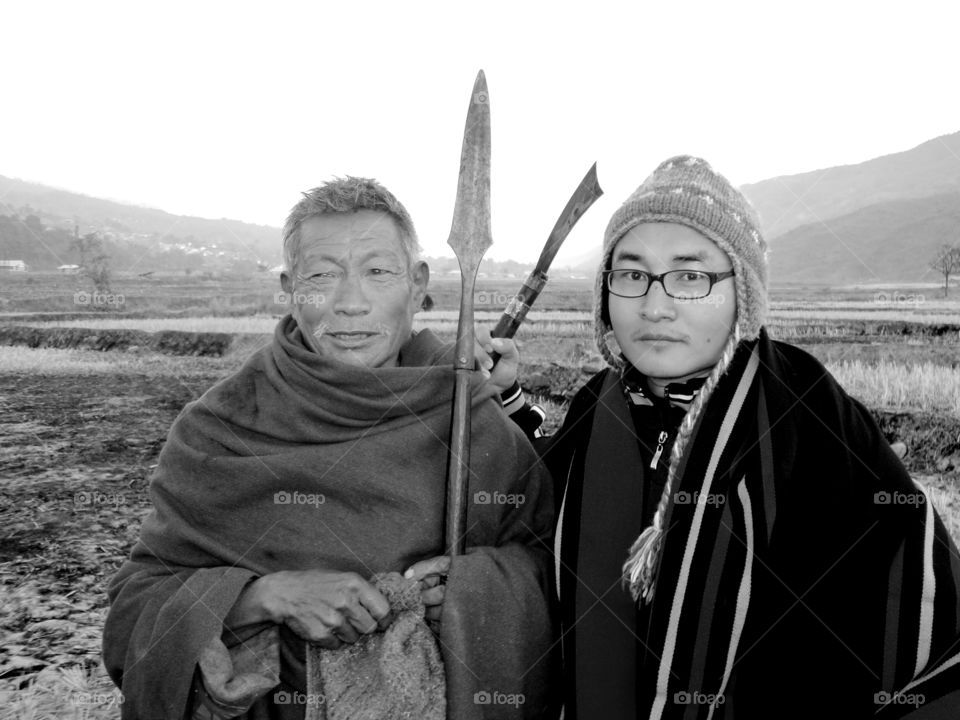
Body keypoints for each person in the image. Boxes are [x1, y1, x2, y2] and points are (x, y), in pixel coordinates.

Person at [103, 177, 558, 719]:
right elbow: (134, 614)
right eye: (321, 275)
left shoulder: (471, 419)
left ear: (417, 286)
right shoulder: (221, 427)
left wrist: (468, 601)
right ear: (290, 288)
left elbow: (552, 571)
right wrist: (264, 597)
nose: (350, 304)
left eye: (378, 272)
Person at [535, 156, 960, 719]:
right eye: (632, 275)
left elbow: (910, 586)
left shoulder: (803, 408)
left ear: (744, 291)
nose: (655, 307)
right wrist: (504, 407)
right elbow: (535, 517)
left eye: (690, 277)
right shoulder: (597, 406)